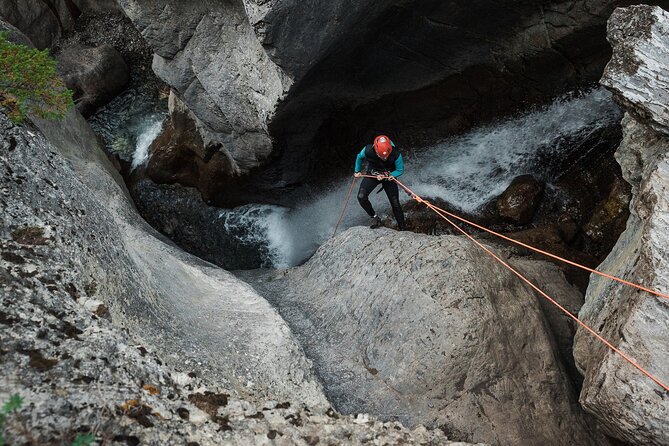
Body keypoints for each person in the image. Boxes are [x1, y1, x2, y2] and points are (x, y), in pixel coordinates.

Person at [354, 135, 406, 230]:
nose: (384, 158)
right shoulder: (368, 150)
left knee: (395, 203)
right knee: (361, 197)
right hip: (373, 173)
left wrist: (388, 176)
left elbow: (400, 170)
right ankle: (375, 218)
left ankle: (403, 229)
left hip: (389, 176)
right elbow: (359, 157)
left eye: (386, 156)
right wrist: (357, 170)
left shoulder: (395, 154)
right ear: (376, 150)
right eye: (382, 156)